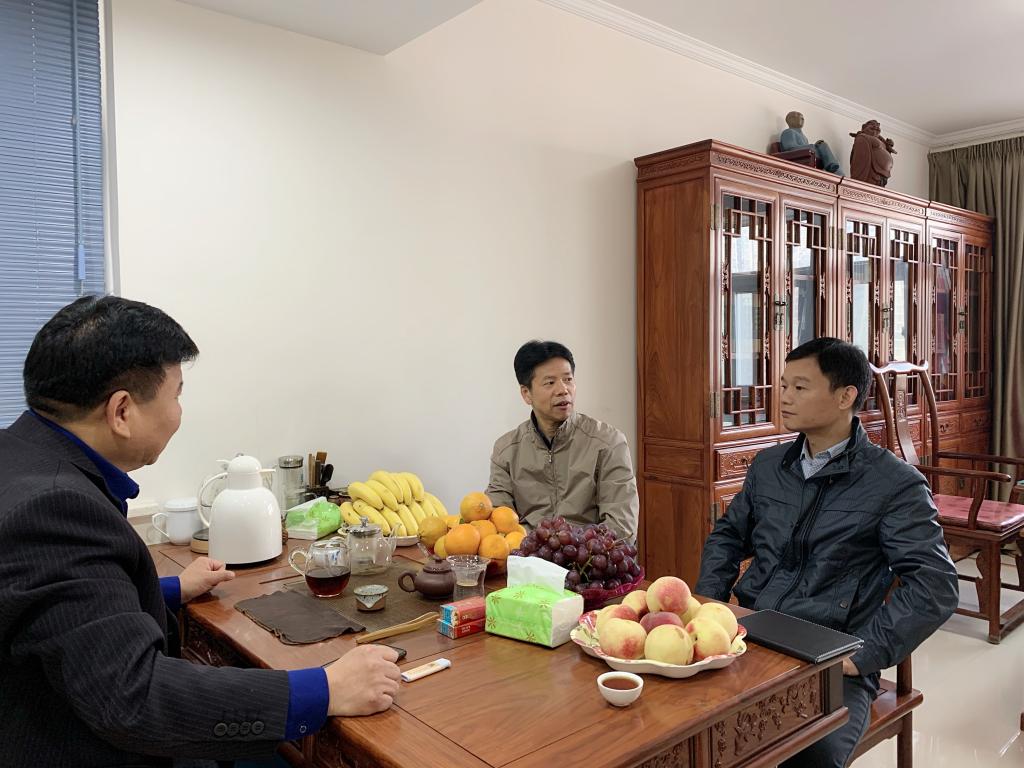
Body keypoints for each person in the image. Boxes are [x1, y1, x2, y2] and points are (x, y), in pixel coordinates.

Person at [0, 296, 401, 767]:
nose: (178, 411)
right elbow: (134, 695)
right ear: (121, 412)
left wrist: (168, 588)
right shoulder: (56, 508)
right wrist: (325, 688)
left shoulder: (20, 457)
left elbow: (60, 608)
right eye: (176, 395)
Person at [695, 337, 958, 768]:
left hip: (831, 656)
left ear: (845, 396)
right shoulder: (769, 466)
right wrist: (710, 605)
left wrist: (866, 654)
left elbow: (935, 585)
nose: (784, 397)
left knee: (809, 755)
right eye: (783, 385)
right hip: (750, 634)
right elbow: (727, 536)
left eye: (799, 387)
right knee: (686, 729)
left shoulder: (895, 484)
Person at [486, 340, 639, 542]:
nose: (563, 390)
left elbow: (621, 527)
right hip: (527, 556)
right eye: (550, 383)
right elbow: (498, 524)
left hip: (589, 557)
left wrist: (572, 551)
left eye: (568, 379)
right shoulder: (506, 450)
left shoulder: (608, 442)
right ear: (526, 393)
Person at [849, 119, 896, 186]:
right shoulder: (863, 137)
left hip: (882, 177)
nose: (875, 126)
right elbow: (860, 158)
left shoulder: (882, 142)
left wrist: (888, 146)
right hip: (870, 175)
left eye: (877, 125)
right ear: (864, 127)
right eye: (872, 124)